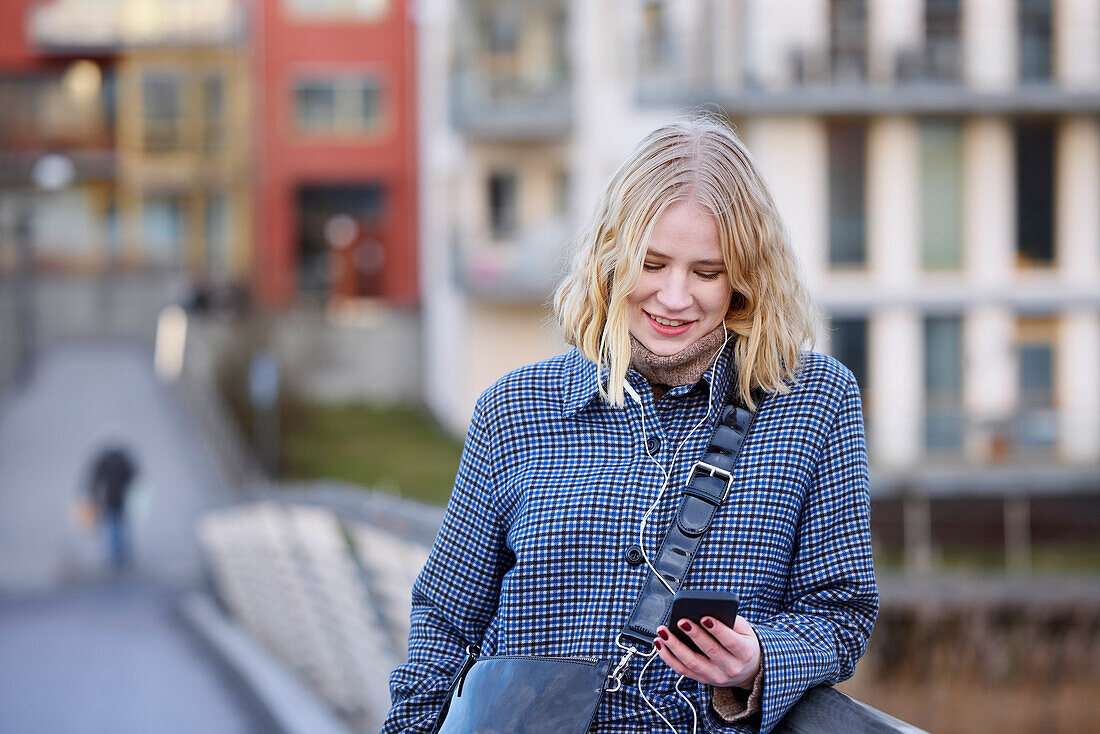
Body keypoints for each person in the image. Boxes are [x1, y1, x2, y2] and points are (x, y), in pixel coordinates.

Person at [384, 114, 877, 733]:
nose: (674, 297)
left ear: (746, 281)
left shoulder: (814, 401)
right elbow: (444, 625)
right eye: (652, 263)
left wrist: (760, 661)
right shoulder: (513, 409)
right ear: (613, 258)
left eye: (706, 273)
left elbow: (842, 614)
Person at [86, 444, 139, 570]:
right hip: (121, 499)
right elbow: (133, 476)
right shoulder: (123, 460)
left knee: (113, 528)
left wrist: (93, 493)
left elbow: (95, 478)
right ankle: (121, 555)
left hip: (109, 498)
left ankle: (116, 556)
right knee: (120, 527)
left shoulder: (105, 460)